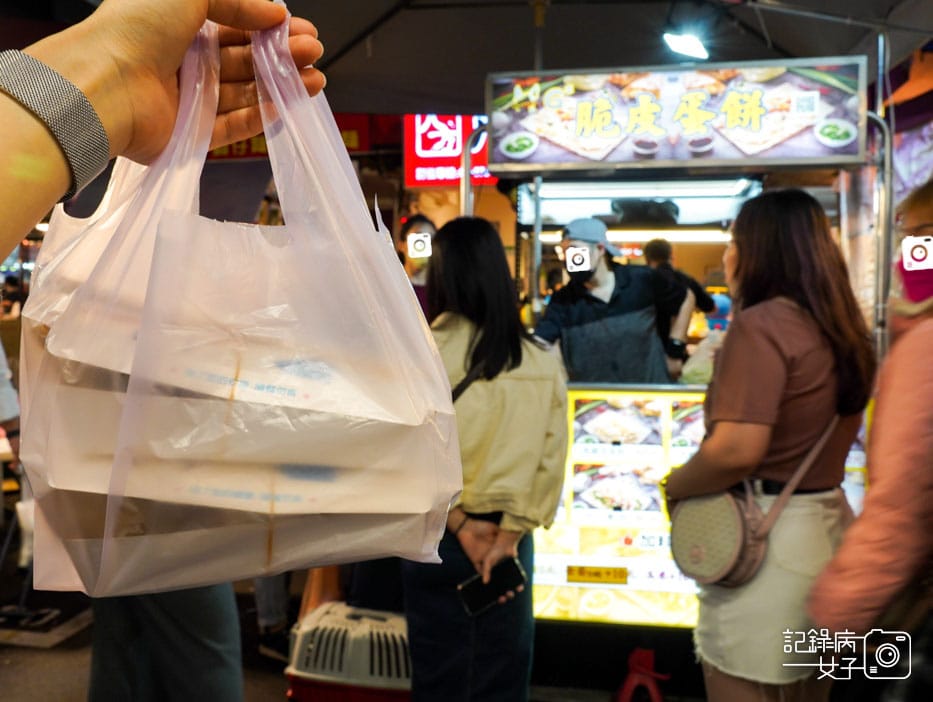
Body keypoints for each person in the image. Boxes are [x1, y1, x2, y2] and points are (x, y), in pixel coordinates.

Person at [0, 1, 326, 700]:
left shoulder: (110, 302)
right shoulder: (172, 313)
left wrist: (105, 77)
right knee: (201, 646)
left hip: (110, 504)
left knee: (125, 641)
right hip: (169, 504)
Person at [663, 189, 877, 702]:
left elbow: (736, 449)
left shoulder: (760, 326)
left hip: (764, 552)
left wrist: (675, 485)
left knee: (742, 683)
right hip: (826, 535)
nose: (727, 255)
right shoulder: (844, 328)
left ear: (759, 249)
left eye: (735, 241)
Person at [401, 216, 568, 702]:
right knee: (501, 677)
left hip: (438, 539)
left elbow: (406, 458)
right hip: (509, 546)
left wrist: (460, 525)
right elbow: (550, 463)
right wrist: (510, 535)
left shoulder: (420, 354)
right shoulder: (540, 359)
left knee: (438, 677)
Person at [806, 177, 933, 699]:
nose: (908, 254)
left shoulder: (926, 348)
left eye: (918, 237)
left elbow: (902, 512)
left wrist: (833, 623)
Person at [534, 217, 694, 383]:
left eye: (574, 251)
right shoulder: (563, 301)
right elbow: (541, 344)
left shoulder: (641, 279)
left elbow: (686, 296)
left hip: (649, 399)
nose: (568, 259)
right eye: (564, 252)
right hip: (593, 405)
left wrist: (675, 350)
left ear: (600, 248)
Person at [398, 213, 438, 315]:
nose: (425, 245)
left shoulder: (442, 291)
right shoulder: (392, 285)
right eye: (419, 239)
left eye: (431, 239)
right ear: (402, 245)